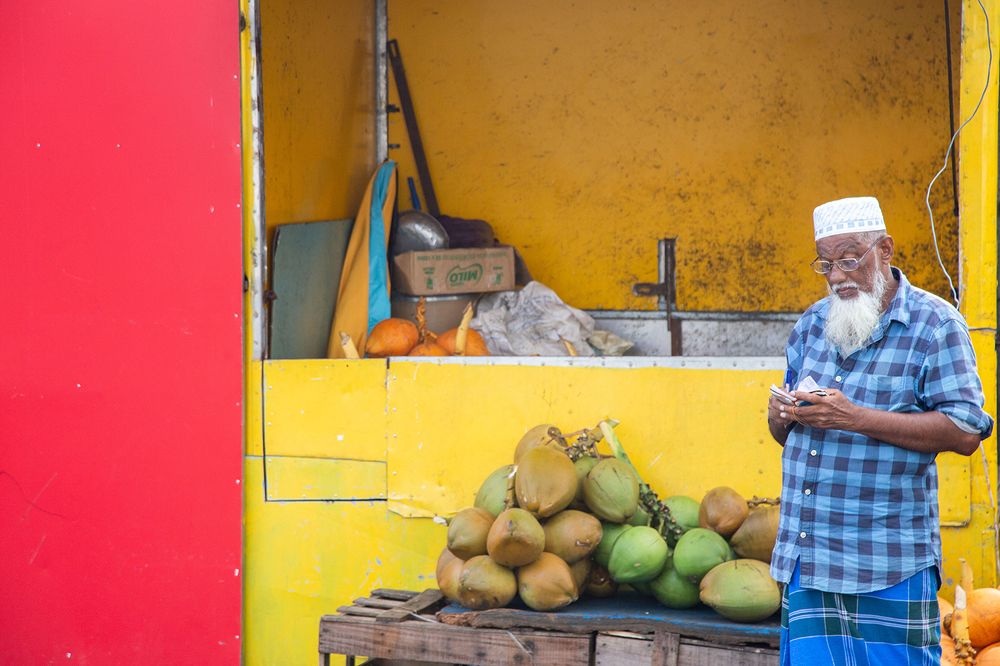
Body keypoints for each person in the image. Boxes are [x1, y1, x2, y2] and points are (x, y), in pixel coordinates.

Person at [766, 196, 994, 665]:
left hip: (887, 562)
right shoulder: (811, 325)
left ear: (885, 250)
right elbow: (791, 437)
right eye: (825, 263)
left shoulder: (935, 326)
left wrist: (855, 418)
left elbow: (966, 431)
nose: (836, 276)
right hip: (809, 561)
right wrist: (780, 417)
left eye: (850, 259)